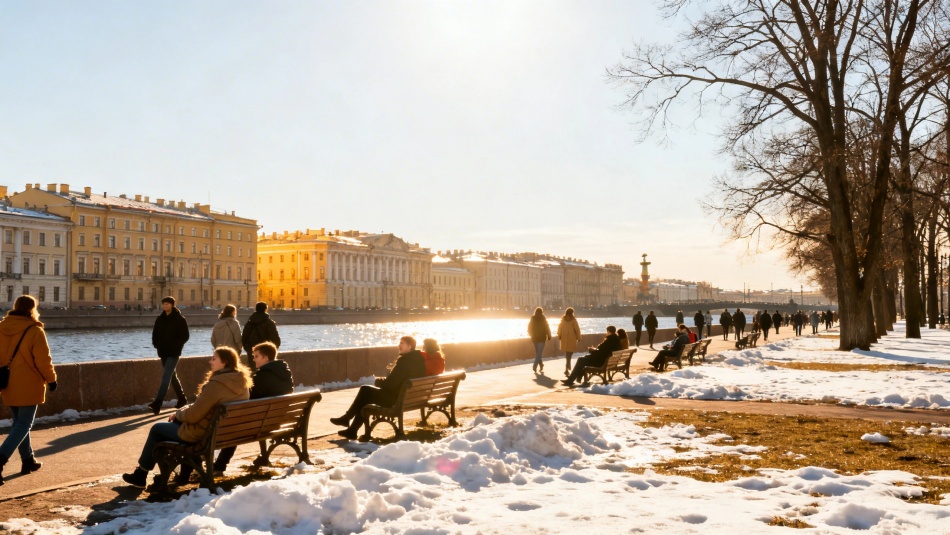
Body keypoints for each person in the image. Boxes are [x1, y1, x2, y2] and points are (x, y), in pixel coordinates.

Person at [122, 346, 252, 488]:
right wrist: (184, 412)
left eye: (214, 358)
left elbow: (193, 416)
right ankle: (181, 474)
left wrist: (178, 414)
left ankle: (141, 474)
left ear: (225, 362)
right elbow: (203, 408)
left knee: (157, 429)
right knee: (173, 425)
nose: (210, 361)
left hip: (202, 434)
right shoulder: (243, 383)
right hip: (226, 433)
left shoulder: (216, 385)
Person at [0, 296, 57, 486]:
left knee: (19, 423)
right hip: (29, 383)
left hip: (7, 383)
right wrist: (51, 379)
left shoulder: (2, 327)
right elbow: (43, 360)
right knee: (24, 424)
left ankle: (28, 461)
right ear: (32, 310)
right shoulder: (34, 330)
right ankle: (0, 459)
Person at [212, 342, 293, 474]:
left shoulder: (262, 377)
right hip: (276, 421)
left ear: (266, 358)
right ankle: (220, 465)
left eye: (256, 356)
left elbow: (248, 398)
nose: (253, 359)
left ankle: (219, 466)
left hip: (256, 424)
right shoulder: (284, 374)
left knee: (233, 428)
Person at [330, 336, 426, 439]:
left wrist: (378, 382)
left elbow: (390, 385)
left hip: (395, 400)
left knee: (365, 390)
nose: (399, 346)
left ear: (410, 346)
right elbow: (397, 382)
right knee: (366, 394)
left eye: (402, 343)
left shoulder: (405, 362)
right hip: (406, 398)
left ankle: (348, 421)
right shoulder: (418, 360)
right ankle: (351, 428)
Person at [149, 296, 190, 415]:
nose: (165, 306)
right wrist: (156, 345)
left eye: (167, 304)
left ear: (172, 305)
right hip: (163, 352)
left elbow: (185, 336)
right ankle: (182, 398)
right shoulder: (160, 319)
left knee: (166, 377)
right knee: (172, 375)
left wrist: (175, 346)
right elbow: (154, 334)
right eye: (164, 304)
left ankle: (157, 403)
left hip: (173, 352)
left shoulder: (179, 319)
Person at [242, 302, 281, 369]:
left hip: (252, 353)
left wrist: (249, 350)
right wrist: (271, 351)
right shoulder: (269, 323)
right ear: (266, 309)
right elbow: (275, 339)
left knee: (253, 373)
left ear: (256, 309)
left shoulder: (249, 323)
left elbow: (244, 338)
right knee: (266, 374)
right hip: (266, 353)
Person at [558, 307, 582, 377]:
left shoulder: (563, 320)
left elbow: (559, 329)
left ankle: (567, 367)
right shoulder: (574, 321)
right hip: (572, 339)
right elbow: (577, 330)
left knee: (567, 353)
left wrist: (559, 335)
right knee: (570, 353)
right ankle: (568, 365)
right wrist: (579, 337)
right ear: (572, 313)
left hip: (564, 339)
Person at [527, 307, 551, 373]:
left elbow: (547, 327)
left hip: (542, 338)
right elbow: (529, 327)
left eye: (540, 313)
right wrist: (531, 334)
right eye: (538, 313)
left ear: (541, 313)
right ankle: (541, 364)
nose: (538, 314)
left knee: (539, 352)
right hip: (535, 338)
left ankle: (535, 365)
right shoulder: (533, 318)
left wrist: (549, 335)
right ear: (535, 312)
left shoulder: (543, 319)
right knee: (538, 353)